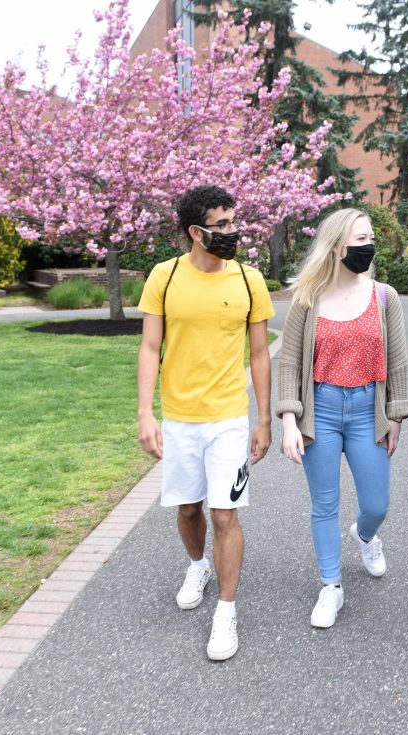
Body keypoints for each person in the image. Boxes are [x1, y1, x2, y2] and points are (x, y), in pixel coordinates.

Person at [137, 184, 274, 661]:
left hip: (229, 419)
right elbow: (150, 348)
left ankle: (226, 613)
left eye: (234, 222)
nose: (233, 232)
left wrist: (263, 419)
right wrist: (144, 413)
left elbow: (259, 353)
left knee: (224, 514)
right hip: (178, 419)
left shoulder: (248, 279)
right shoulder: (164, 277)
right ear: (196, 232)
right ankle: (197, 565)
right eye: (222, 225)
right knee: (190, 509)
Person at [277, 208, 408, 629]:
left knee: (376, 503)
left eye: (370, 237)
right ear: (336, 247)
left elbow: (399, 362)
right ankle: (330, 586)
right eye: (360, 238)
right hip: (321, 409)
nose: (368, 245)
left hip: (366, 412)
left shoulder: (384, 296)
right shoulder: (308, 298)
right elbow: (288, 364)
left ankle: (365, 536)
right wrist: (287, 421)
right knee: (325, 504)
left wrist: (396, 417)